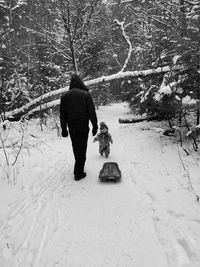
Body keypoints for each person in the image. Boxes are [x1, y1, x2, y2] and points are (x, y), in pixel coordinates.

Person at [60, 74, 98, 181]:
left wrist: (64, 128)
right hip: (83, 125)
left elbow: (62, 114)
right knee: (82, 147)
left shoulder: (64, 96)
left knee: (76, 147)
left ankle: (79, 166)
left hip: (72, 127)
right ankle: (78, 172)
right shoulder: (85, 95)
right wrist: (95, 126)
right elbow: (91, 112)